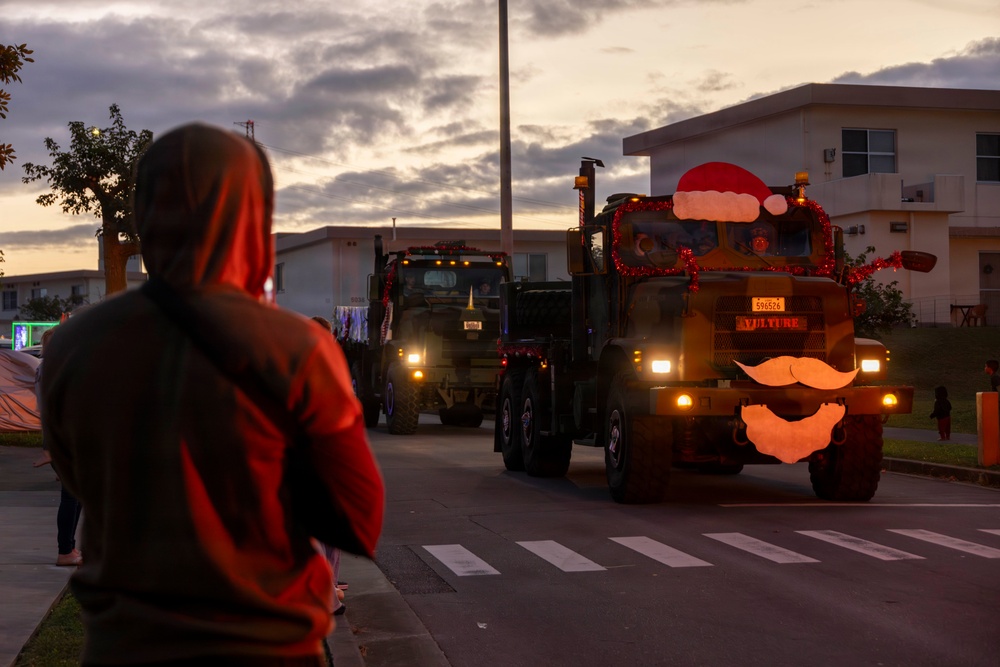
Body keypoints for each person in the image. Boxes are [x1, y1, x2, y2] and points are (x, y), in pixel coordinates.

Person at [44, 123, 384, 667]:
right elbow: (358, 518)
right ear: (253, 221)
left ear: (144, 216)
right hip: (268, 649)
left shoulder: (72, 346)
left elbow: (78, 477)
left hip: (123, 649)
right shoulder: (298, 348)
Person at [32, 326, 84, 567]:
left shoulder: (45, 369)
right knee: (71, 496)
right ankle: (66, 550)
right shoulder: (56, 370)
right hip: (62, 438)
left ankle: (70, 548)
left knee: (75, 495)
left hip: (58, 437)